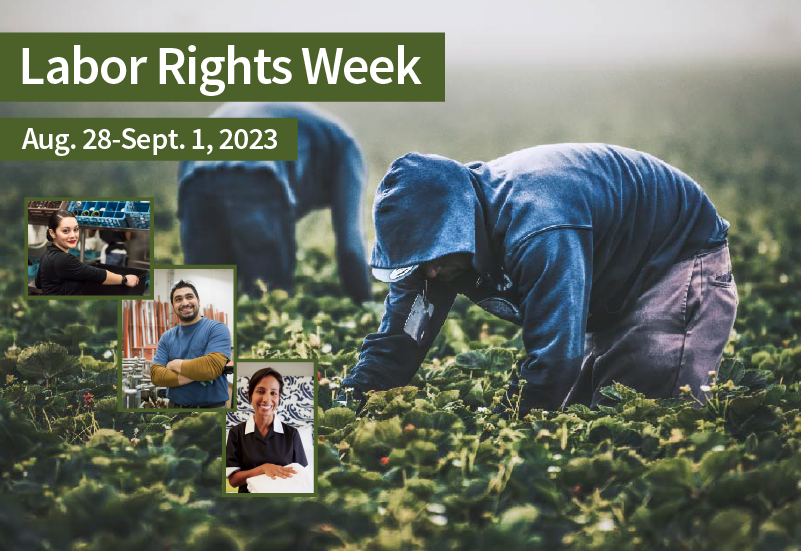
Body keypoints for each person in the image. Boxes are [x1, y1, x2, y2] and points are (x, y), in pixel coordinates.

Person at [341, 144, 739, 414]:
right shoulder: (435, 256)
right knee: (588, 411)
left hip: (675, 256)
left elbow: (555, 358)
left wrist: (504, 422)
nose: (429, 272)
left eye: (434, 256)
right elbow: (400, 340)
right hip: (606, 272)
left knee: (648, 410)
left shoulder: (538, 226)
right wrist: (347, 403)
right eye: (417, 260)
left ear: (459, 226)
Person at [177, 102, 370, 302]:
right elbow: (350, 245)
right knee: (269, 301)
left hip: (193, 180)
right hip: (255, 177)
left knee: (204, 303)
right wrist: (366, 305)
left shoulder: (311, 132)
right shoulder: (348, 149)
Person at [149, 280, 232, 408]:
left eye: (189, 297)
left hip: (212, 410)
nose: (185, 303)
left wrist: (174, 364)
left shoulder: (216, 329)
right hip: (175, 409)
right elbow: (156, 375)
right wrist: (202, 374)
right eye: (178, 299)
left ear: (198, 300)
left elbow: (210, 368)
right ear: (173, 306)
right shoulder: (167, 337)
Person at [226, 367, 309, 493]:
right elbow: (233, 480)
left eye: (273, 393)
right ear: (250, 395)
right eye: (260, 391)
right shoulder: (236, 433)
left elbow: (301, 476)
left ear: (279, 397)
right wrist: (263, 469)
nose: (266, 399)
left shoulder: (292, 434)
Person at [35, 210, 140, 295]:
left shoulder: (47, 255)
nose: (73, 235)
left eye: (75, 229)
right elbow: (96, 274)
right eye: (66, 231)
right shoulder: (62, 259)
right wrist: (125, 279)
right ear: (52, 233)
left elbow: (39, 283)